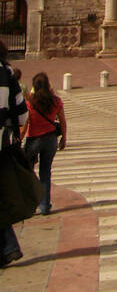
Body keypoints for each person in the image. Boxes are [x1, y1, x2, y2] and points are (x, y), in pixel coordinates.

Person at [0, 42, 28, 267]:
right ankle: (9, 247)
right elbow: (21, 117)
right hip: (4, 145)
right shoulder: (7, 73)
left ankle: (9, 247)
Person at [23, 73, 66, 216]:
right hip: (50, 140)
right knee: (45, 173)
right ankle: (45, 206)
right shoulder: (56, 101)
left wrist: (19, 139)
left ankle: (30, 205)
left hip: (34, 140)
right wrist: (63, 138)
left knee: (28, 173)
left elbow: (25, 124)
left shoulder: (30, 103)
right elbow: (63, 121)